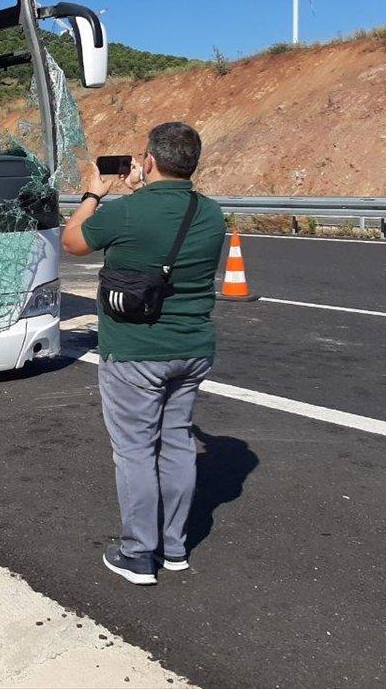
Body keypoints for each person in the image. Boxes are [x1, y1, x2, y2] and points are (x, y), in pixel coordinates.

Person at [61, 122, 226, 586]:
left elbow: (73, 242)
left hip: (135, 351)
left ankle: (137, 553)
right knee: (175, 443)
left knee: (134, 450)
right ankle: (174, 548)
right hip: (192, 348)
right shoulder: (211, 213)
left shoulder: (128, 213)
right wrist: (145, 189)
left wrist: (96, 193)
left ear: (148, 160)